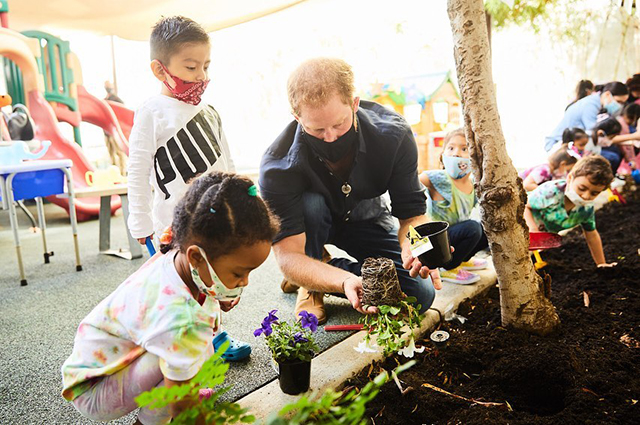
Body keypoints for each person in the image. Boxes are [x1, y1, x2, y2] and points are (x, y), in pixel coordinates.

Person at [61, 172, 279, 424]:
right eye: (239, 273)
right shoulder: (181, 321)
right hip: (94, 390)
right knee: (192, 351)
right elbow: (184, 409)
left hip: (96, 366)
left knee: (197, 346)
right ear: (196, 257)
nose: (245, 282)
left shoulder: (175, 254)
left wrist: (217, 297)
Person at [259, 58, 441, 324]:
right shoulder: (278, 165)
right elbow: (288, 255)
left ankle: (315, 272)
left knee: (419, 295)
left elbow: (412, 216)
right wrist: (344, 281)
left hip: (366, 218)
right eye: (317, 129)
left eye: (339, 123)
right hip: (311, 227)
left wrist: (417, 247)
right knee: (312, 204)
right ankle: (311, 283)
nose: (330, 137)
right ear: (297, 118)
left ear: (354, 104)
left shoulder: (394, 136)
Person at [126, 16, 246, 360]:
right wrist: (140, 222)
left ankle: (216, 338)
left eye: (206, 66)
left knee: (213, 280)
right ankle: (180, 346)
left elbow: (228, 162)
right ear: (159, 69)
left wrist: (239, 201)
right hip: (172, 225)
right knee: (179, 286)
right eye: (192, 66)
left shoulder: (210, 112)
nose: (202, 77)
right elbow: (136, 168)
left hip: (214, 217)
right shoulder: (151, 112)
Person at [419, 128, 489, 285]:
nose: (456, 153)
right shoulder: (440, 178)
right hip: (437, 243)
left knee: (485, 229)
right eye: (451, 148)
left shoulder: (473, 185)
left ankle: (461, 261)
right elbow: (412, 183)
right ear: (443, 153)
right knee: (472, 228)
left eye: (464, 149)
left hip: (453, 239)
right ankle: (446, 268)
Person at [524, 155, 616, 267]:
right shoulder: (550, 191)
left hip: (540, 242)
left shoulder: (585, 209)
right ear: (570, 178)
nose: (586, 196)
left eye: (594, 193)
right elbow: (524, 206)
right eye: (582, 188)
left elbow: (591, 234)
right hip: (519, 228)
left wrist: (601, 263)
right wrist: (533, 229)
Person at [544, 81, 629, 152]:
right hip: (559, 146)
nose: (619, 106)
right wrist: (633, 137)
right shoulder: (590, 106)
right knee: (611, 156)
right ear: (607, 94)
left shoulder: (597, 105)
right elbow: (595, 136)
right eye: (619, 101)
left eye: (622, 103)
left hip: (576, 144)